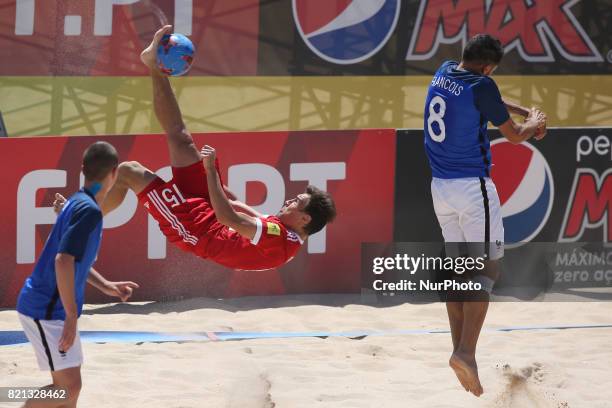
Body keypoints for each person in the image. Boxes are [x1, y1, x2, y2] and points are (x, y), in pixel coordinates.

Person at [55, 25, 336, 272]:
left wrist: (211, 171)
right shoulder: (284, 230)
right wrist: (222, 190)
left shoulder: (280, 239)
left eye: (295, 203)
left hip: (194, 229)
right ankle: (153, 64)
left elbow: (228, 217)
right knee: (181, 138)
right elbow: (238, 210)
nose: (289, 200)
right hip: (210, 212)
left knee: (129, 172)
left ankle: (78, 221)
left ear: (304, 218)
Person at [423, 34, 547, 397]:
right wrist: (533, 119)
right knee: (488, 269)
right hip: (472, 188)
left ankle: (459, 350)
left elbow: (488, 97)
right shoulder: (483, 85)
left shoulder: (445, 70)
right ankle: (465, 352)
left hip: (441, 188)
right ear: (489, 67)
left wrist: (521, 110)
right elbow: (514, 136)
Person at [17, 141, 139, 408]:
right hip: (45, 308)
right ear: (115, 172)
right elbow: (63, 261)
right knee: (68, 388)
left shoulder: (77, 202)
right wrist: (72, 316)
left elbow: (73, 261)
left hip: (53, 305)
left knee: (70, 389)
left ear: (83, 169)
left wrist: (106, 285)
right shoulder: (88, 211)